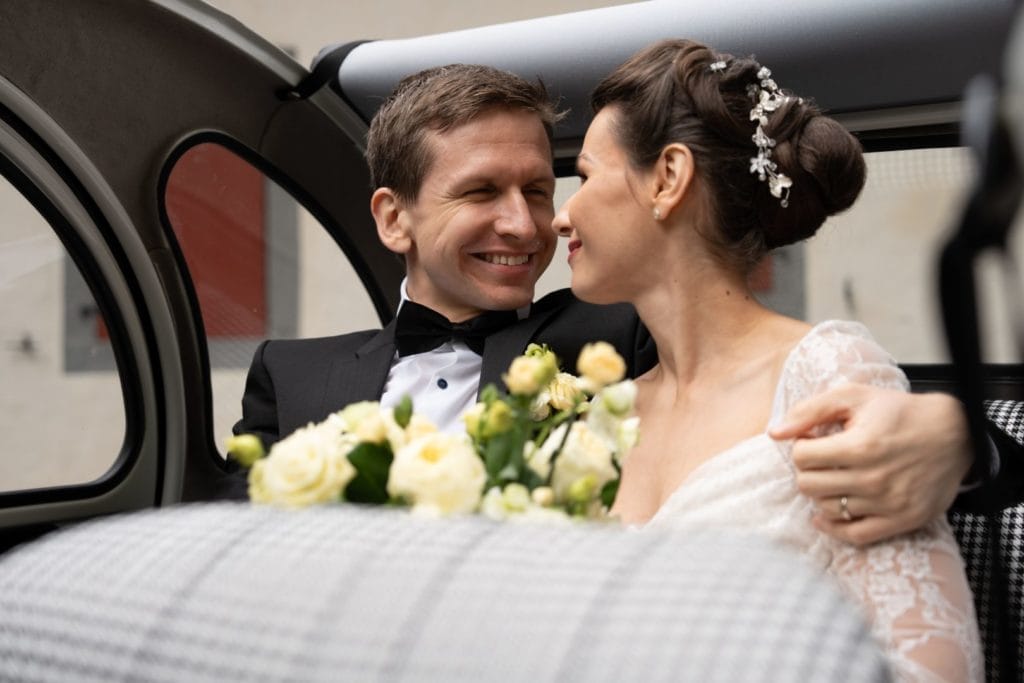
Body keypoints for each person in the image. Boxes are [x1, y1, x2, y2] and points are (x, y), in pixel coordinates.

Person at [230, 62, 1008, 550]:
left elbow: (768, 373)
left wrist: (960, 436)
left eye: (540, 189)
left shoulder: (619, 331)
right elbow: (229, 552)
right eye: (481, 192)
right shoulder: (290, 377)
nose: (528, 224)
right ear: (393, 218)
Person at [552, 39, 982, 680]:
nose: (561, 218)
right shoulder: (601, 411)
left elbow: (932, 666)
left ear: (667, 179)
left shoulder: (826, 372)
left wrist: (960, 431)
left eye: (586, 177)